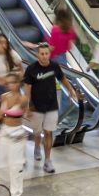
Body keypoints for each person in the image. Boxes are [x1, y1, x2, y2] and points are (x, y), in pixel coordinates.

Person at [24, 42, 65, 174]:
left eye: (46, 53)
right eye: (42, 54)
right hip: (36, 107)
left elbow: (63, 78)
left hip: (51, 105)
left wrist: (71, 91)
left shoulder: (54, 66)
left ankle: (47, 161)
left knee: (48, 132)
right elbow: (27, 89)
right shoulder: (31, 69)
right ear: (37, 55)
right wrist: (27, 106)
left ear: (49, 54)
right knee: (37, 132)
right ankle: (37, 146)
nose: (44, 56)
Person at [0, 70, 28, 196]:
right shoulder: (4, 96)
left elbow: (28, 114)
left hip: (17, 133)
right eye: (9, 83)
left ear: (18, 84)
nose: (10, 85)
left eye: (13, 82)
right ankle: (5, 188)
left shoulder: (23, 99)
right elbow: (0, 113)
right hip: (4, 132)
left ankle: (16, 195)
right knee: (0, 164)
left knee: (15, 166)